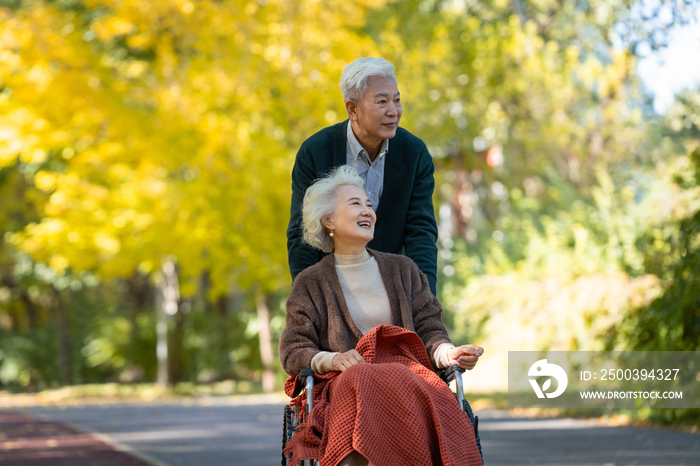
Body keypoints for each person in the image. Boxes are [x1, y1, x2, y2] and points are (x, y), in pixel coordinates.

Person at [279, 166, 484, 466]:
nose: (367, 211)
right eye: (355, 204)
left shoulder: (404, 270)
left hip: (409, 378)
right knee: (360, 375)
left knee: (391, 376)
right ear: (328, 220)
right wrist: (333, 360)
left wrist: (448, 353)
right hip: (348, 384)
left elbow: (430, 330)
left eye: (369, 205)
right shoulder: (310, 283)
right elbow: (294, 350)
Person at [287, 57, 439, 295]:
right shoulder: (316, 152)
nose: (393, 111)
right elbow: (301, 235)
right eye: (382, 101)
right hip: (332, 286)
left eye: (397, 100)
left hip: (391, 286)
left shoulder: (414, 154)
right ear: (353, 109)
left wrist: (425, 301)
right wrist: (311, 301)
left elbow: (421, 233)